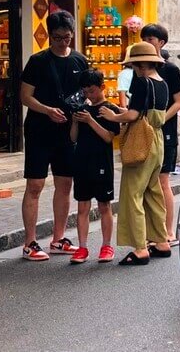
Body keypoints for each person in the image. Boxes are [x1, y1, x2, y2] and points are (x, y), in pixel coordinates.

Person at [19, 10, 88, 261]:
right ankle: (30, 243)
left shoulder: (80, 61)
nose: (62, 42)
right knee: (35, 184)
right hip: (39, 129)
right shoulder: (37, 61)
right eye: (57, 37)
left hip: (67, 130)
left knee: (65, 183)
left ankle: (58, 239)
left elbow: (87, 92)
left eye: (67, 37)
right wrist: (47, 110)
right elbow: (25, 96)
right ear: (49, 36)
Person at [99, 42, 172, 265]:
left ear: (140, 63)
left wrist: (112, 117)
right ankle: (161, 241)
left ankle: (140, 248)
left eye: (134, 64)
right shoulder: (163, 83)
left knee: (132, 194)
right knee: (153, 192)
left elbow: (133, 115)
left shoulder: (142, 82)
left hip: (142, 140)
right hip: (157, 139)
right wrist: (127, 112)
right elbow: (146, 112)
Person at [141, 23, 180, 245]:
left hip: (164, 131)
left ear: (161, 43)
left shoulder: (170, 70)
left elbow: (179, 102)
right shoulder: (137, 69)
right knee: (147, 183)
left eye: (152, 39)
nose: (148, 42)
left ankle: (169, 231)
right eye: (145, 38)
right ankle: (152, 232)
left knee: (163, 180)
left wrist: (159, 120)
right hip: (142, 133)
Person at [68, 70, 119, 264]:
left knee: (104, 205)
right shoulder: (82, 109)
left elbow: (108, 137)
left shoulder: (109, 109)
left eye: (92, 91)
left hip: (101, 162)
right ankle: (82, 247)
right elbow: (73, 138)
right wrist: (75, 122)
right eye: (85, 92)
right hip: (81, 161)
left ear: (102, 87)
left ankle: (106, 245)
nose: (89, 95)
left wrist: (90, 121)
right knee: (82, 205)